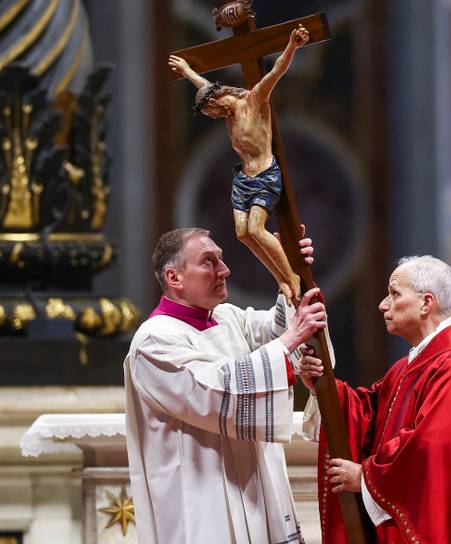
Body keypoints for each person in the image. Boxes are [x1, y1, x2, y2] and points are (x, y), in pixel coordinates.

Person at [299, 256, 451, 543]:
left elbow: (429, 450)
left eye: (394, 294)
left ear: (426, 303)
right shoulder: (414, 366)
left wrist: (366, 477)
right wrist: (324, 388)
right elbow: (368, 416)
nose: (383, 304)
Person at [124, 226, 325, 543]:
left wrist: (288, 272)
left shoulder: (227, 316)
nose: (224, 269)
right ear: (174, 277)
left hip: (252, 489)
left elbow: (279, 331)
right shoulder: (154, 341)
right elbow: (213, 393)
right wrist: (289, 341)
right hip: (202, 499)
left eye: (221, 259)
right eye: (208, 261)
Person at [167, 25, 310, 304]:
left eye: (211, 111)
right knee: (242, 234)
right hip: (243, 178)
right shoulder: (224, 109)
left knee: (257, 229)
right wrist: (186, 71)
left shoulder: (254, 100)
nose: (213, 116)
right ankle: (280, 277)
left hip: (264, 174)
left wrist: (292, 45)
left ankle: (291, 277)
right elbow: (205, 87)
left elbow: (276, 71)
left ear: (219, 102)